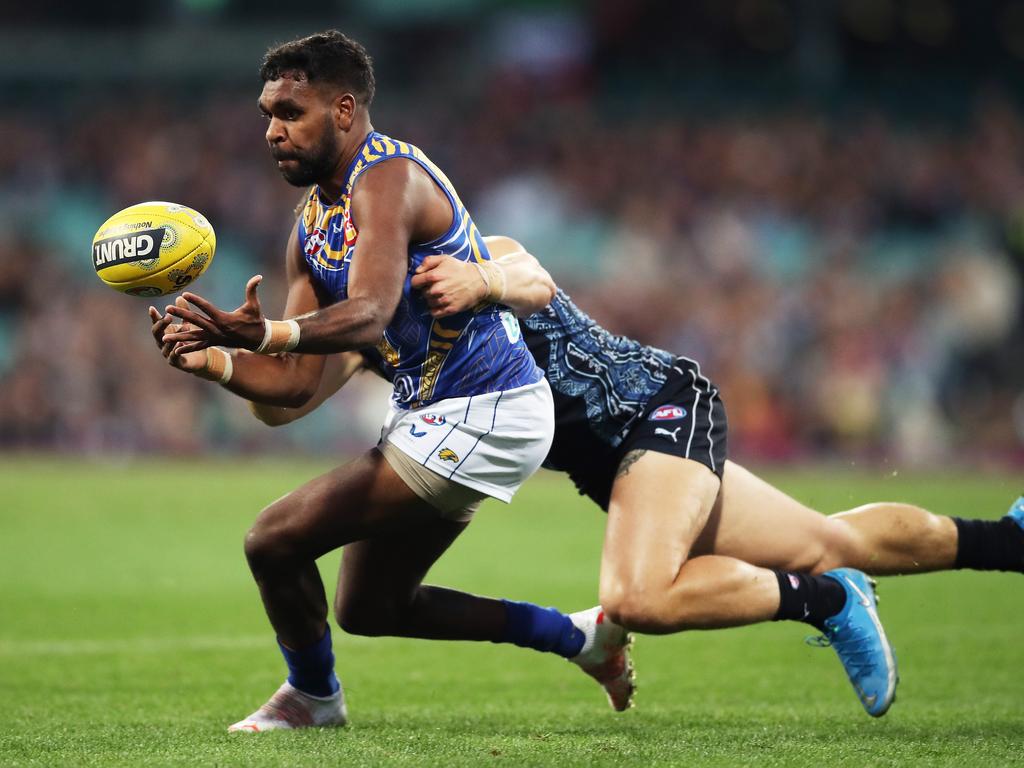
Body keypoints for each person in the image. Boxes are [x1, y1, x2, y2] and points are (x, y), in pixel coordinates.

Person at [244, 237, 1024, 718]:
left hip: (655, 405)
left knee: (636, 598)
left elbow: (531, 277)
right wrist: (221, 363)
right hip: (614, 462)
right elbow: (287, 403)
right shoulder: (371, 328)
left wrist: (481, 282)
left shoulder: (463, 254)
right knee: (832, 537)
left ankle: (827, 600)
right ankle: (1010, 538)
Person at [150, 30, 634, 733]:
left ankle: (312, 698)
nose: (273, 131)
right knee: (370, 609)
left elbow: (371, 312)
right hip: (436, 412)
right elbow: (291, 390)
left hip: (488, 406)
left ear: (343, 110)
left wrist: (261, 334)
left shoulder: (390, 178)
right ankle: (581, 638)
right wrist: (217, 363)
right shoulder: (311, 226)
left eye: (291, 112)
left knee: (273, 539)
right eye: (267, 114)